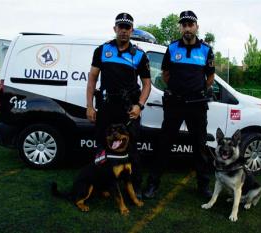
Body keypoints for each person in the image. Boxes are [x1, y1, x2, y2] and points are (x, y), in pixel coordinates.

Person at [143, 10, 215, 199]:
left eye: (190, 24)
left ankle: (203, 186)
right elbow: (166, 74)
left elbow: (210, 76)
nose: (187, 28)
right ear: (180, 28)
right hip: (175, 103)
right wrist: (178, 90)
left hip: (197, 105)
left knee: (199, 146)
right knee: (164, 144)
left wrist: (197, 90)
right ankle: (152, 184)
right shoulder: (172, 48)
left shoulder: (206, 50)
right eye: (184, 25)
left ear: (196, 27)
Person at [86, 12, 151, 199]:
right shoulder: (102, 50)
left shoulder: (139, 55)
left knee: (132, 149)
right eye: (120, 27)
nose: (123, 31)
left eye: (127, 28)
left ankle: (135, 187)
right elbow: (92, 79)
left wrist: (139, 105)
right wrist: (90, 106)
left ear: (132, 30)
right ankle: (101, 185)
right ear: (115, 29)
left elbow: (147, 84)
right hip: (106, 107)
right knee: (101, 147)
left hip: (129, 110)